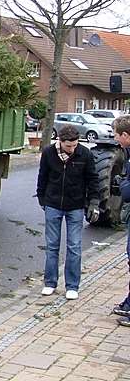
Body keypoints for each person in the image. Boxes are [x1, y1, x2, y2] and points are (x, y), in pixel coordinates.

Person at [36, 124, 99, 300]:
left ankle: (72, 285)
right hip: (53, 203)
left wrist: (93, 201)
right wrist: (42, 198)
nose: (72, 149)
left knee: (74, 246)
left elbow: (93, 179)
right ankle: (50, 283)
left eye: (74, 145)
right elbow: (43, 175)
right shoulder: (49, 152)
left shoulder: (84, 153)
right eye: (68, 146)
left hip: (76, 205)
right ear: (60, 142)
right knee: (52, 246)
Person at [110, 115, 130, 326]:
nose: (115, 139)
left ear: (125, 135)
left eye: (116, 135)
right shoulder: (127, 153)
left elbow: (128, 190)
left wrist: (123, 184)